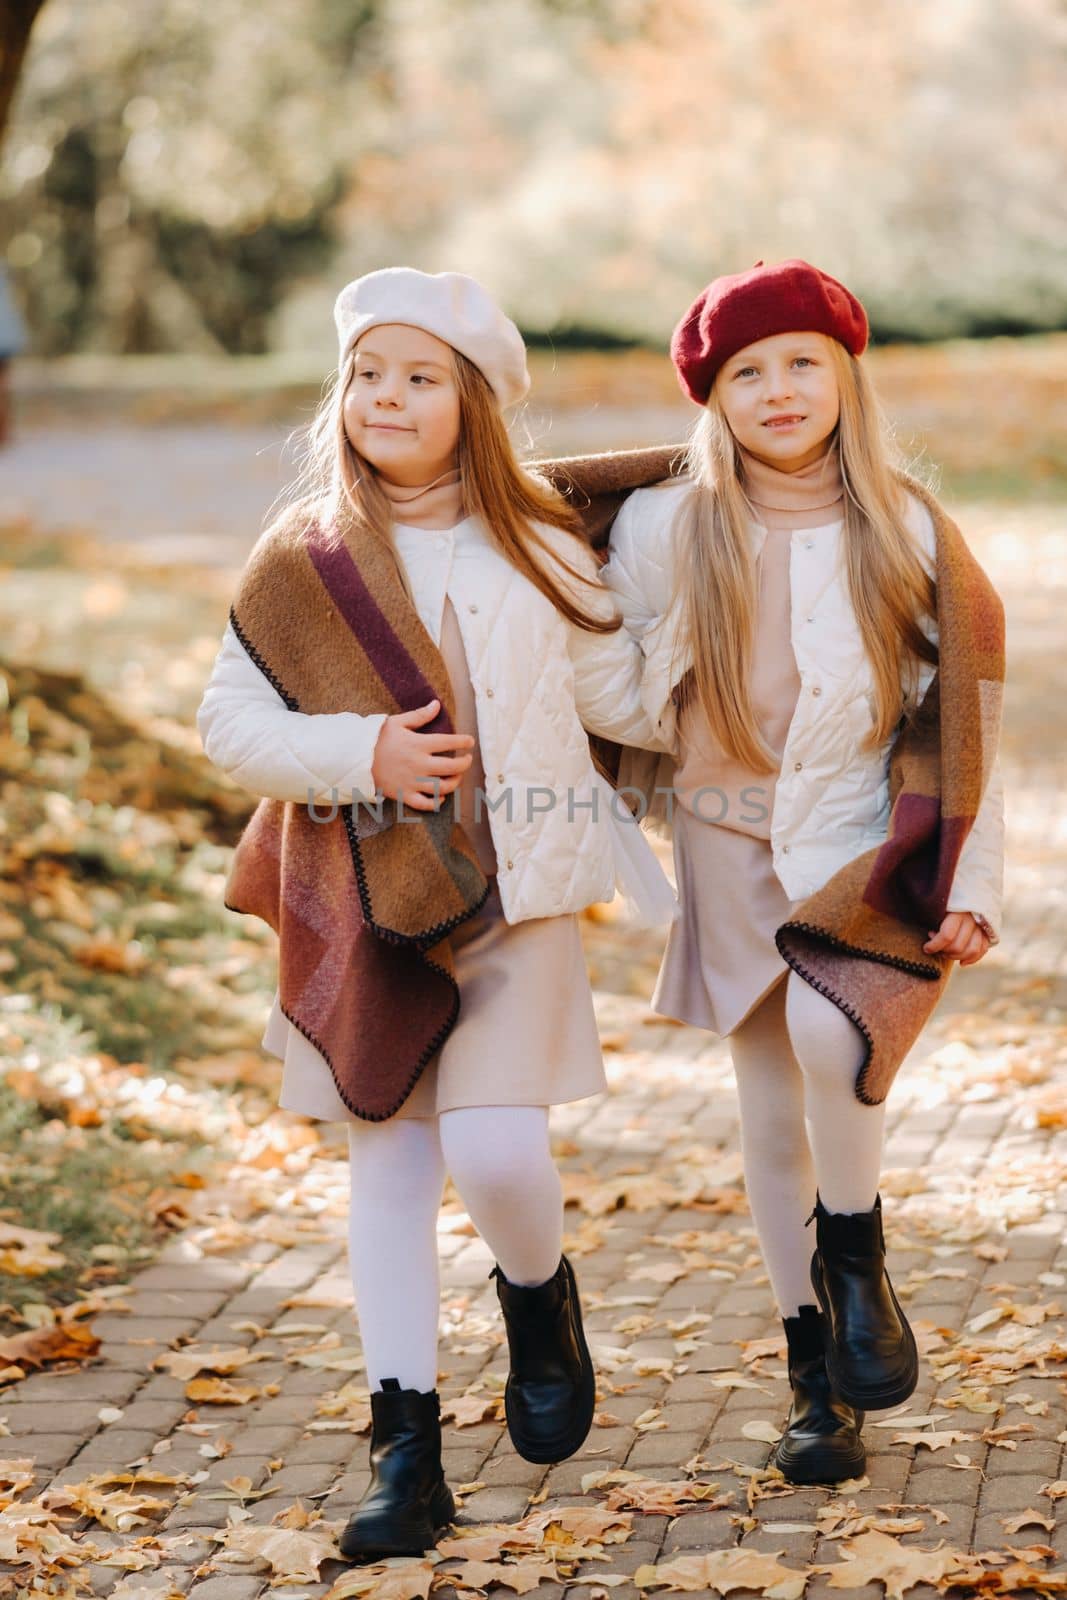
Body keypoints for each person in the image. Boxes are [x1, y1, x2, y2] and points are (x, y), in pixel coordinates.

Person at [196, 267, 674, 1557]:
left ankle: (537, 1293)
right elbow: (228, 725)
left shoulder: (538, 542)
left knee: (502, 1153)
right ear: (339, 394)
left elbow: (622, 697)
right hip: (364, 902)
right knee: (392, 1165)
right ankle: (403, 1451)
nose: (386, 397)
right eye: (366, 374)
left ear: (474, 402)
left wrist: (714, 618)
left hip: (515, 894)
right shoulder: (300, 558)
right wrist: (365, 755)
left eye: (419, 377)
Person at [589, 259, 1005, 1485]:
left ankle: (859, 1253)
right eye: (745, 373)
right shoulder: (667, 526)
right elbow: (623, 693)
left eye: (799, 364)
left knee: (839, 1041)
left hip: (855, 828)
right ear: (712, 399)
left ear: (843, 376)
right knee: (771, 1108)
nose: (776, 389)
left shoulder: (906, 526)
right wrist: (569, 629)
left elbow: (962, 714)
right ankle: (812, 1374)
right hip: (723, 832)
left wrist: (966, 870)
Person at [0, 266, 27, 447]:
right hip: (7, 340)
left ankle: (4, 433)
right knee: (4, 391)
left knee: (3, 390)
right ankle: (5, 433)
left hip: (5, 341)